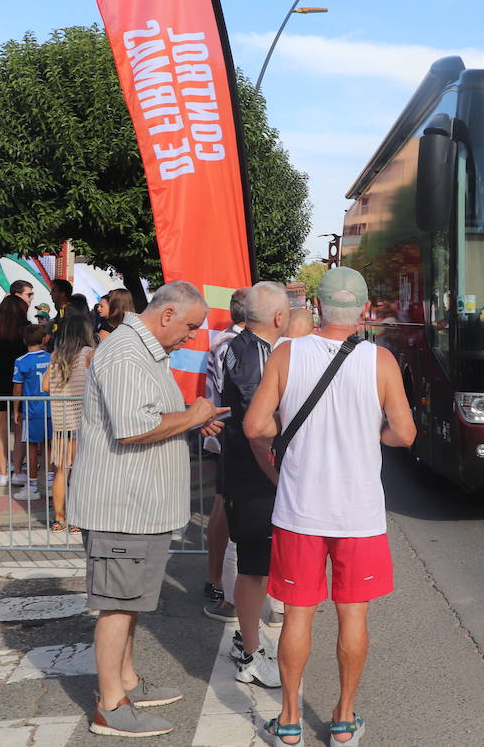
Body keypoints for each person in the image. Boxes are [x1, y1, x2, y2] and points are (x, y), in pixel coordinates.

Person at [243, 267, 416, 746]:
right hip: (358, 512)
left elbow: (255, 426)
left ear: (316, 307)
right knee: (352, 615)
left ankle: (289, 721)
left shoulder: (287, 353)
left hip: (299, 508)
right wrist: (371, 433)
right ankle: (343, 720)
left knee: (297, 614)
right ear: (365, 311)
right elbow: (404, 434)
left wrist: (287, 440)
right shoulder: (381, 361)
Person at [67, 281, 227, 738]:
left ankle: (126, 680)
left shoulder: (141, 350)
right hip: (123, 505)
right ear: (168, 314)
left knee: (128, 602)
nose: (193, 337)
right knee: (117, 606)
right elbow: (134, 428)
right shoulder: (126, 353)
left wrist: (192, 418)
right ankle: (110, 705)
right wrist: (193, 416)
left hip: (136, 504)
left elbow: (148, 414)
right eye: (191, 326)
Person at [219, 281, 289, 688]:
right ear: (279, 317)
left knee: (258, 563)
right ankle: (250, 652)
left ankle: (246, 639)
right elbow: (256, 427)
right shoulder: (251, 353)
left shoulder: (248, 346)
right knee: (254, 566)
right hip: (253, 474)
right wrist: (276, 476)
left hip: (248, 471)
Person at [203, 287, 248, 621]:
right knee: (224, 506)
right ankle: (219, 581)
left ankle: (217, 579)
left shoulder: (225, 341)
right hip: (229, 434)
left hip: (224, 433)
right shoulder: (233, 345)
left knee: (223, 503)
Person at [46, 311, 95, 533]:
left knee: (62, 470)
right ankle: (77, 519)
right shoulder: (89, 354)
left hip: (61, 422)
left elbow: (45, 386)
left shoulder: (56, 355)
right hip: (83, 421)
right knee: (80, 471)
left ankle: (59, 518)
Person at [0, 292, 31, 486]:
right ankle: (18, 470)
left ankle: (3, 472)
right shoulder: (26, 330)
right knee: (19, 425)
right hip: (21, 382)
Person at [11, 323, 52, 503]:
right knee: (49, 446)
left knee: (32, 447)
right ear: (44, 339)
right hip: (51, 408)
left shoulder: (21, 361)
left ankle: (33, 486)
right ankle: (50, 483)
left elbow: (17, 387)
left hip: (32, 410)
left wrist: (15, 409)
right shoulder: (52, 358)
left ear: (24, 340)